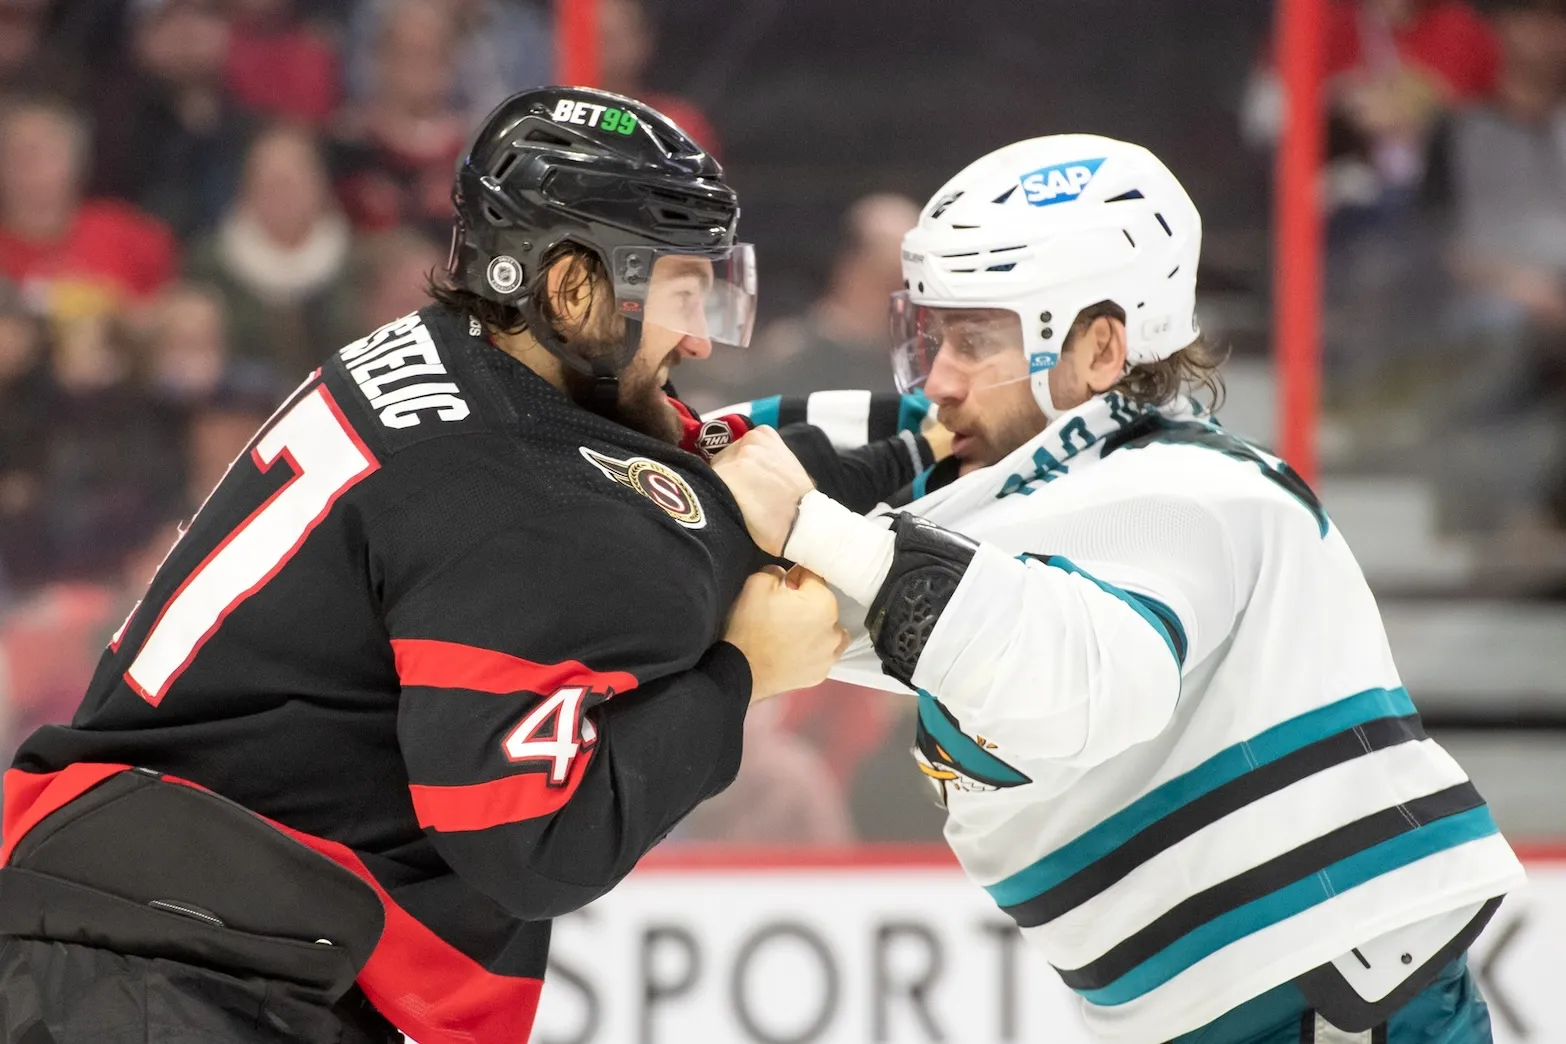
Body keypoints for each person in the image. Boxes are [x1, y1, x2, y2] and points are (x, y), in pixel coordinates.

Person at [0, 88, 870, 1044]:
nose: (701, 338)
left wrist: (925, 443)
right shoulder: (503, 488)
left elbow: (690, 474)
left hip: (137, 940)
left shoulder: (456, 375)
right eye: (679, 293)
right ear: (574, 291)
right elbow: (529, 846)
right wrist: (738, 675)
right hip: (166, 980)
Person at [711, 135, 1525, 1043]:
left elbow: (1072, 682)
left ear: (1100, 348)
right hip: (1215, 1003)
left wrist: (809, 526)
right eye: (932, 335)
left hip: (1324, 995)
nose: (938, 378)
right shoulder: (1021, 478)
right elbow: (755, 467)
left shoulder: (1198, 495)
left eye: (976, 340)